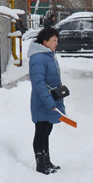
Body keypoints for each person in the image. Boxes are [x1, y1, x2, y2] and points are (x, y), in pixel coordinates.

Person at [28, 26, 65, 174]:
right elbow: (38, 84)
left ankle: (47, 161)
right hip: (42, 102)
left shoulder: (48, 55)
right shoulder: (38, 58)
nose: (56, 43)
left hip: (50, 100)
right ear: (45, 41)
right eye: (54, 40)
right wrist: (49, 102)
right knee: (41, 132)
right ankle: (40, 164)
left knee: (47, 131)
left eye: (57, 40)